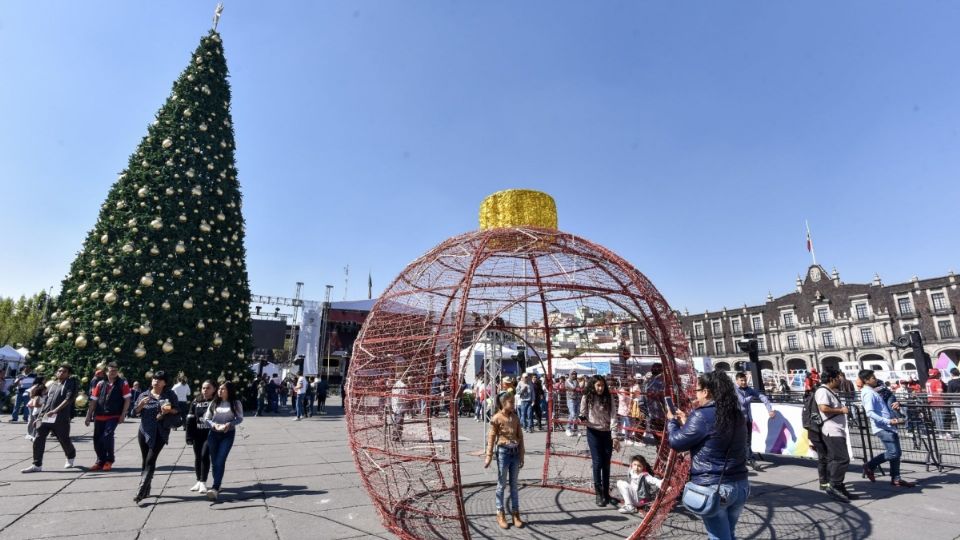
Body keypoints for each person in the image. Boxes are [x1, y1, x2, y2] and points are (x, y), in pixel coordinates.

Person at [667, 371, 749, 540]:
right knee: (728, 534)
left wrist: (672, 422)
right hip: (740, 484)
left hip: (715, 486)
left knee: (719, 537)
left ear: (706, 392)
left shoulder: (701, 415)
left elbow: (676, 442)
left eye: (697, 391)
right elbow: (713, 435)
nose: (695, 395)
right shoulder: (736, 413)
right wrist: (688, 422)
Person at [859, 369, 915, 488]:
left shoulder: (875, 391)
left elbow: (889, 401)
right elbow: (870, 413)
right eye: (873, 378)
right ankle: (869, 465)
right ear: (866, 380)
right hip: (883, 427)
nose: (875, 379)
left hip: (889, 425)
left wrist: (896, 404)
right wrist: (888, 421)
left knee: (896, 453)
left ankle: (896, 478)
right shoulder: (868, 393)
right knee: (894, 452)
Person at [808, 367, 855, 502]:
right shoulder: (823, 391)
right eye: (838, 378)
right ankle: (834, 485)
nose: (840, 380)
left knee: (839, 458)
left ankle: (838, 486)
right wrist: (842, 410)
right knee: (841, 459)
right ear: (832, 379)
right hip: (831, 430)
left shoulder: (829, 391)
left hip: (836, 430)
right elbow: (824, 408)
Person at [132, 371, 180, 503]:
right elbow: (134, 412)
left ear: (164, 382)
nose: (156, 381)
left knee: (150, 460)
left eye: (159, 379)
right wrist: (140, 406)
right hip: (144, 432)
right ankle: (147, 488)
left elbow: (177, 410)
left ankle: (141, 491)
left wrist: (168, 410)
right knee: (145, 461)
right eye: (154, 378)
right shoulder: (144, 394)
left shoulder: (169, 394)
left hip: (160, 432)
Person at [22, 363, 78, 473]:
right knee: (38, 437)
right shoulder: (53, 385)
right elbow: (47, 402)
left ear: (69, 374)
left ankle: (70, 456)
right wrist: (39, 417)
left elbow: (68, 399)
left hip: (61, 417)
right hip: (47, 416)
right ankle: (37, 464)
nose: (61, 373)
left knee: (63, 439)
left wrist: (55, 410)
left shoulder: (71, 384)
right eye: (60, 371)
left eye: (64, 371)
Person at [484, 391, 525, 530]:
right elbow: (491, 438)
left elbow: (521, 437)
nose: (513, 404)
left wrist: (522, 455)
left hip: (515, 453)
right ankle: (500, 512)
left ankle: (515, 513)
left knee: (514, 484)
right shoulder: (496, 418)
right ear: (503, 403)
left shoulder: (515, 418)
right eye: (511, 402)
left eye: (513, 402)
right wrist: (489, 455)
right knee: (501, 484)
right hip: (503, 453)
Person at [580, 375, 620, 507]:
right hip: (593, 432)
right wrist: (582, 418)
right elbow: (582, 413)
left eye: (602, 385)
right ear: (593, 385)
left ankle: (606, 493)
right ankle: (598, 493)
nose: (600, 388)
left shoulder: (609, 397)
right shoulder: (587, 397)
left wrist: (614, 436)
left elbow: (614, 416)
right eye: (598, 385)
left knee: (606, 463)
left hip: (607, 432)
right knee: (597, 462)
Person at [84, 362, 131, 471]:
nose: (113, 372)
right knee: (97, 440)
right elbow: (93, 401)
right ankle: (100, 461)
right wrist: (88, 416)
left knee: (107, 436)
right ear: (106, 372)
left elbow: (127, 399)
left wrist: (123, 414)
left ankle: (109, 460)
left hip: (113, 415)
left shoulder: (122, 383)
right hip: (99, 415)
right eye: (111, 370)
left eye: (115, 370)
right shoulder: (100, 384)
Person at [203, 381, 244, 502]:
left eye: (223, 389)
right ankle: (218, 483)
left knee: (221, 459)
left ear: (229, 391)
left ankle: (215, 487)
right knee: (214, 461)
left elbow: (240, 418)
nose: (220, 391)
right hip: (213, 434)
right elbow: (206, 418)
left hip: (227, 434)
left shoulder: (235, 403)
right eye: (219, 389)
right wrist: (213, 425)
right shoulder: (214, 402)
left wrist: (230, 424)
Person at [734, 372, 774, 470]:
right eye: (741, 380)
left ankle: (747, 459)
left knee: (748, 441)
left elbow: (762, 397)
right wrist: (752, 397)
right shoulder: (734, 390)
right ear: (737, 381)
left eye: (745, 380)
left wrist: (769, 409)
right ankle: (750, 460)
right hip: (738, 420)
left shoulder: (748, 389)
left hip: (748, 419)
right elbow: (742, 402)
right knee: (740, 441)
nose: (744, 382)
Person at [186, 380, 215, 493]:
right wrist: (189, 436)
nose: (205, 390)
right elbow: (190, 419)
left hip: (210, 434)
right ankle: (198, 481)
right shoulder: (196, 401)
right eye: (203, 388)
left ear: (214, 389)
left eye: (208, 388)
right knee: (197, 457)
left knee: (204, 456)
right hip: (197, 434)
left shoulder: (216, 401)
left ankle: (203, 482)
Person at [925, 369, 946, 435]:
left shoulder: (928, 381)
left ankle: (939, 432)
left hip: (930, 401)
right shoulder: (937, 381)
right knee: (940, 417)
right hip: (938, 401)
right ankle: (941, 433)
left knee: (936, 417)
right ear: (936, 374)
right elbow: (940, 392)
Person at [391, 374, 411, 442]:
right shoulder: (403, 385)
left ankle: (395, 436)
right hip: (400, 406)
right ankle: (397, 437)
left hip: (395, 405)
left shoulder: (395, 385)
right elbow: (405, 397)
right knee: (399, 422)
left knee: (396, 421)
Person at [565, 370, 581, 436]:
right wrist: (577, 387)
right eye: (573, 374)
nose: (574, 375)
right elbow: (573, 388)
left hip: (576, 399)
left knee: (576, 415)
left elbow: (579, 388)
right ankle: (568, 428)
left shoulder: (576, 381)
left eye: (575, 374)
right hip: (570, 399)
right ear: (570, 374)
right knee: (572, 414)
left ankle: (575, 429)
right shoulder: (567, 381)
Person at [947, 368, 960, 438]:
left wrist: (948, 402)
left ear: (952, 374)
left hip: (956, 401)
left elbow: (949, 393)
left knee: (959, 417)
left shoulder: (950, 382)